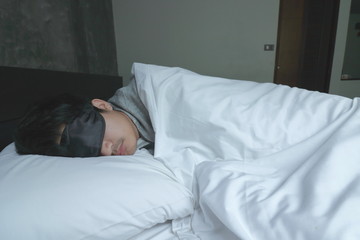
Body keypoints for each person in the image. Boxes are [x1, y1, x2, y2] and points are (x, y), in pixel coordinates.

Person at [14, 79, 154, 157]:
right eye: (88, 150)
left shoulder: (157, 93)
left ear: (102, 105)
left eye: (93, 134)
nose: (106, 151)